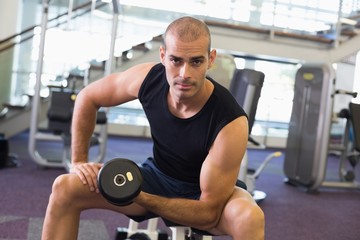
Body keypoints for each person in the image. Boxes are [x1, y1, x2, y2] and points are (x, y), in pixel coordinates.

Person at [41, 16, 265, 240]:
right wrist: (79, 161)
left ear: (211, 59)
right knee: (65, 187)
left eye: (196, 61)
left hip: (206, 197)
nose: (184, 73)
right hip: (157, 178)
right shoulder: (149, 79)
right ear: (162, 56)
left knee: (248, 217)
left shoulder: (230, 122)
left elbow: (208, 214)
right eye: (176, 60)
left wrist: (138, 195)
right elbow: (87, 97)